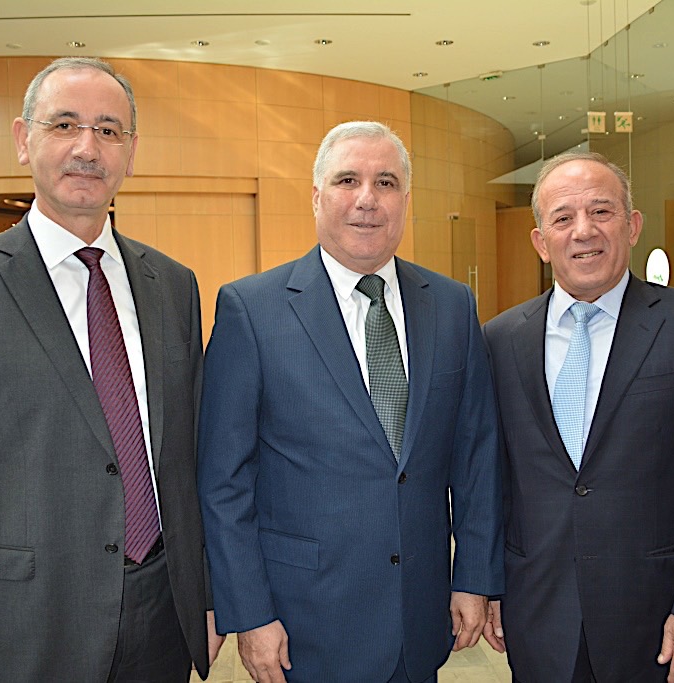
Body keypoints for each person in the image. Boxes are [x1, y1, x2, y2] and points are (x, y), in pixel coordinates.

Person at [0, 57, 222, 682]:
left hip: (162, 615)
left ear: (131, 152)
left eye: (109, 130)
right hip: (27, 627)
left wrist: (205, 594)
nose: (87, 148)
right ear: (24, 140)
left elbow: (190, 461)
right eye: (65, 124)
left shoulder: (172, 285)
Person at [196, 121, 504, 683]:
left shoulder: (453, 306)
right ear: (316, 196)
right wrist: (250, 613)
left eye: (386, 182)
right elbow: (223, 479)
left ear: (405, 199)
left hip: (419, 615)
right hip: (303, 622)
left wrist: (474, 577)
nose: (367, 199)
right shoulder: (252, 310)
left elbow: (477, 457)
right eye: (347, 180)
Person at [482, 151, 674, 682]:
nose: (583, 231)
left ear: (632, 226)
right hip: (537, 613)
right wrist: (487, 583)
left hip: (656, 620)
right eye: (563, 218)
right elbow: (492, 482)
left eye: (601, 211)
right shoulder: (499, 339)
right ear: (541, 242)